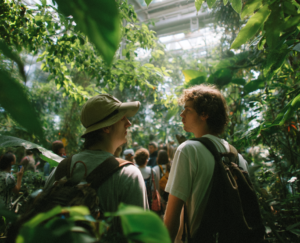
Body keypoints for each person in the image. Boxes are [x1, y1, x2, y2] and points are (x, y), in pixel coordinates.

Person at [164, 84, 249, 243]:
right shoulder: (236, 155)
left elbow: (172, 217)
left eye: (188, 110)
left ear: (204, 114)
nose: (182, 114)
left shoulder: (188, 150)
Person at [44, 94, 148, 223]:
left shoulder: (59, 172)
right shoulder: (128, 175)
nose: (128, 123)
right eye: (122, 118)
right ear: (106, 127)